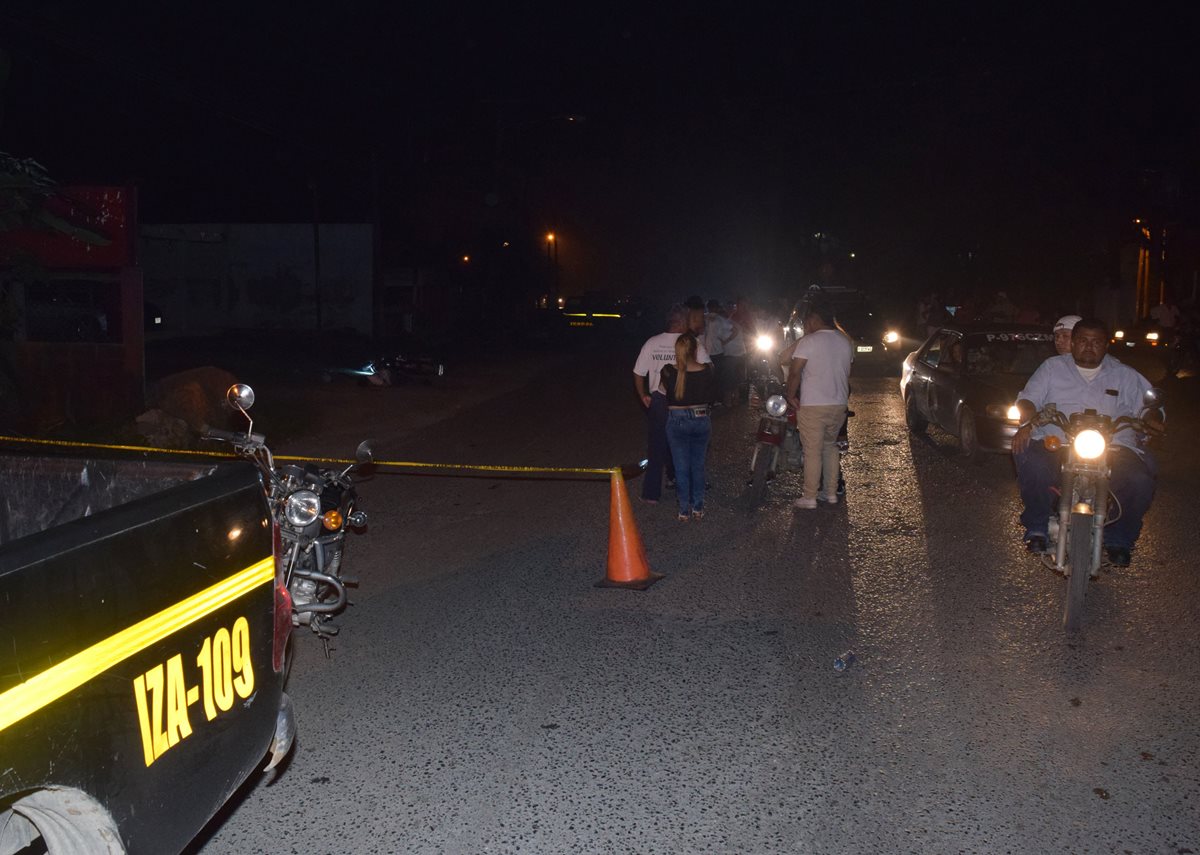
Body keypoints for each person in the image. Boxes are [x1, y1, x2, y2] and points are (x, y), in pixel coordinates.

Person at [1011, 317, 1164, 566]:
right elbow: (1029, 398)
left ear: (1106, 345)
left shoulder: (1125, 375)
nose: (1089, 347)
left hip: (1113, 445)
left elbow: (1147, 407)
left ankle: (1120, 539)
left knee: (1140, 480)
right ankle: (1037, 527)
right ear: (1073, 343)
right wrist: (1027, 415)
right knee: (1034, 464)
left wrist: (1152, 418)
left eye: (1096, 342)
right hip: (1059, 440)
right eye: (1083, 341)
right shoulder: (1052, 368)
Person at [633, 304, 711, 504]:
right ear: (682, 322)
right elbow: (707, 367)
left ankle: (651, 494)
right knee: (687, 443)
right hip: (687, 400)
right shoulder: (691, 342)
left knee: (657, 446)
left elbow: (638, 372)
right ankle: (689, 487)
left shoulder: (652, 342)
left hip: (659, 399)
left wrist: (643, 395)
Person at [784, 298, 853, 509]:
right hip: (838, 403)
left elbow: (794, 371)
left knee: (812, 451)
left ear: (814, 319)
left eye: (808, 320)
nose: (807, 325)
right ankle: (830, 493)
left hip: (813, 404)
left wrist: (790, 395)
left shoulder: (809, 341)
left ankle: (810, 497)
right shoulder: (845, 341)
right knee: (830, 447)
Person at [660, 332, 717, 520]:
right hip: (701, 418)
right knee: (698, 466)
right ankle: (698, 508)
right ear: (696, 350)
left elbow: (661, 392)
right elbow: (713, 395)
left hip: (677, 420)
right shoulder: (707, 370)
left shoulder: (668, 371)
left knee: (681, 467)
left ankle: (683, 510)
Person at [703, 299, 731, 402]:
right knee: (717, 377)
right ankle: (716, 399)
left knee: (711, 377)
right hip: (715, 352)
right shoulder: (719, 319)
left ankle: (712, 399)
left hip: (709, 352)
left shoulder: (705, 318)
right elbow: (729, 331)